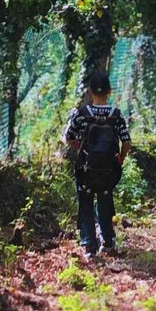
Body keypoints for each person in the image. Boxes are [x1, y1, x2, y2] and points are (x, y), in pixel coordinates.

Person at [64, 71, 131, 260]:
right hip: (108, 170)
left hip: (85, 168)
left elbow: (68, 136)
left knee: (85, 203)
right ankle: (108, 241)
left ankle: (89, 246)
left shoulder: (82, 113)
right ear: (109, 91)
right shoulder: (115, 115)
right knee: (105, 201)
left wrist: (78, 146)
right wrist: (121, 159)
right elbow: (126, 142)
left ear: (90, 91)